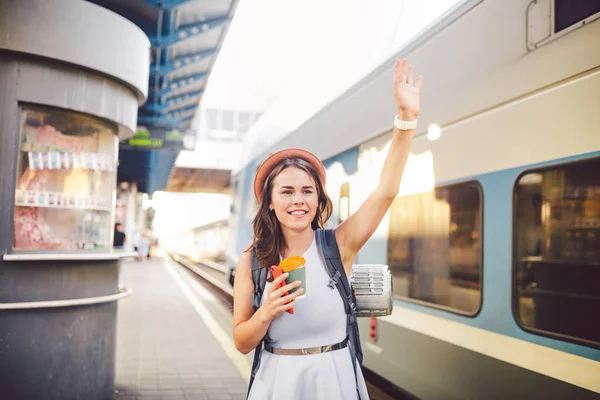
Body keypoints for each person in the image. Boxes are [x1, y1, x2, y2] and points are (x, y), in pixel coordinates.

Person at [233, 59, 423, 400]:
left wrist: (406, 119)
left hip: (333, 380)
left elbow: (386, 191)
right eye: (287, 192)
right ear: (271, 203)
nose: (298, 201)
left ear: (318, 199)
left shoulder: (338, 244)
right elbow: (242, 341)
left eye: (307, 191)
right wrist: (267, 312)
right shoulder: (252, 260)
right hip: (278, 384)